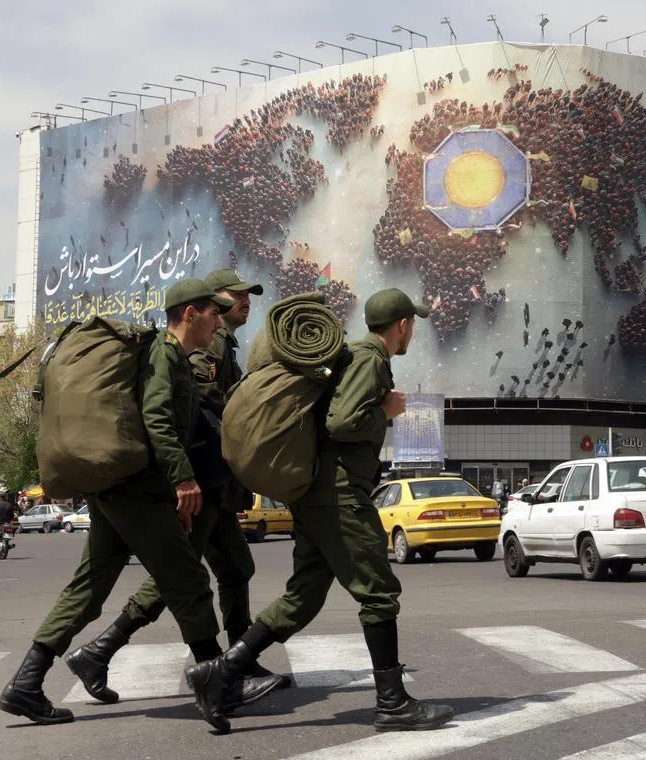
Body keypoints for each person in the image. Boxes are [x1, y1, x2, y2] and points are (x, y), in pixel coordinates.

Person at [0, 279, 279, 733]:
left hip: (116, 490)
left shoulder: (169, 355)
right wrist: (183, 478)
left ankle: (26, 683)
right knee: (187, 579)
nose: (218, 319)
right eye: (213, 312)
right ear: (190, 314)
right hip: (137, 491)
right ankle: (216, 682)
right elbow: (158, 419)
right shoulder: (165, 354)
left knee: (89, 587)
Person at [185, 287, 455, 732]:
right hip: (340, 495)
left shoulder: (355, 356)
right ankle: (392, 702)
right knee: (378, 592)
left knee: (302, 599)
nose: (412, 333)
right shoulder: (370, 359)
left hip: (317, 494)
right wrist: (386, 411)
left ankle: (218, 674)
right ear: (402, 325)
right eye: (412, 325)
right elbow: (342, 422)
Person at [65, 269, 289, 709]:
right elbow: (196, 406)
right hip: (198, 478)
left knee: (235, 567)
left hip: (214, 480)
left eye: (247, 297)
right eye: (233, 298)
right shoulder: (210, 343)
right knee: (180, 577)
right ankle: (107, 651)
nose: (243, 303)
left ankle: (236, 660)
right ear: (207, 305)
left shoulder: (224, 342)